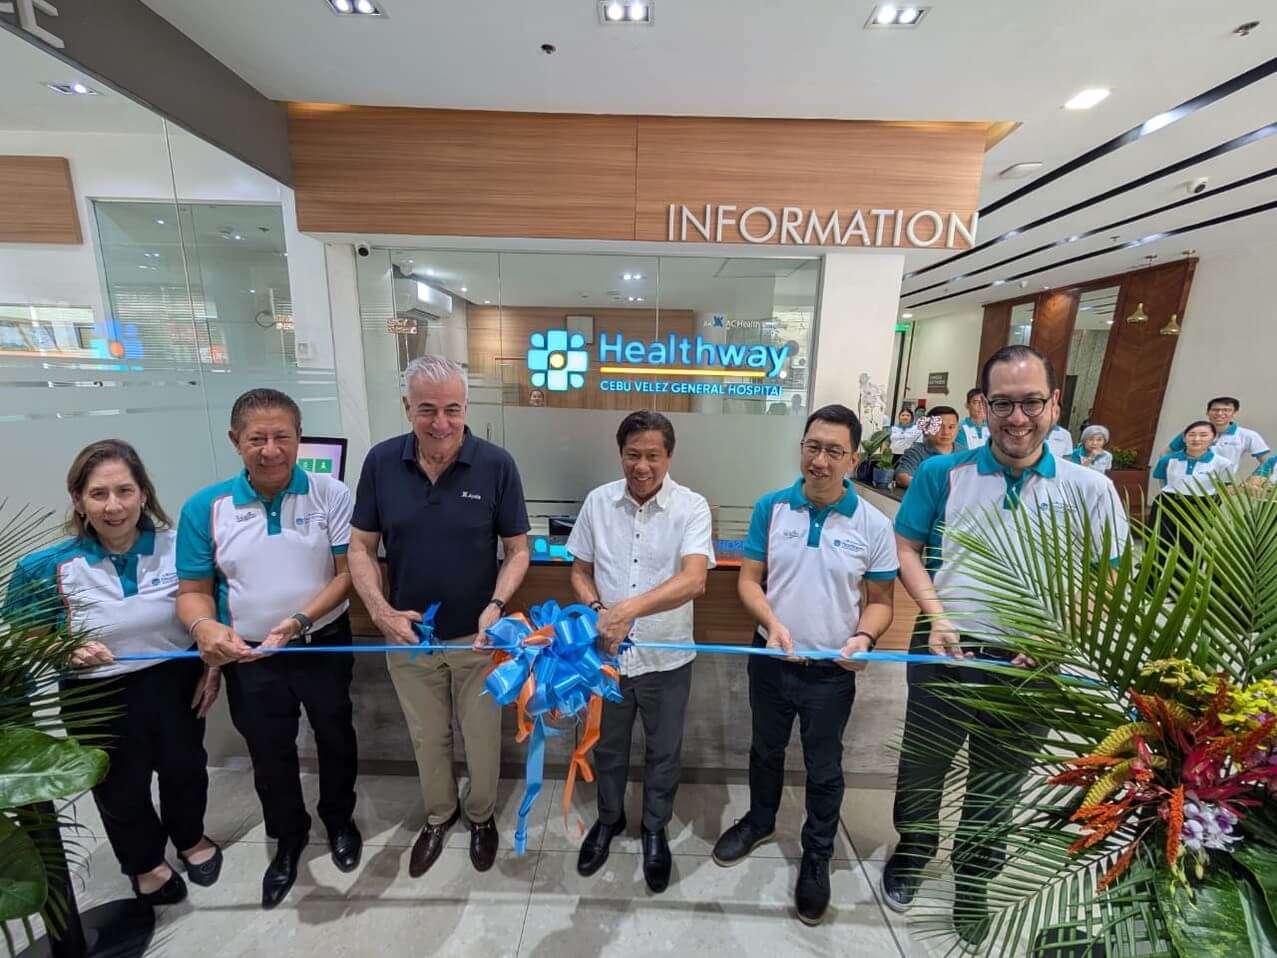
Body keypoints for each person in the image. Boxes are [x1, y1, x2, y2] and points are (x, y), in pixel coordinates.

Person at [883, 345, 1128, 947]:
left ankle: (975, 879)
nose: (1017, 418)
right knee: (923, 767)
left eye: (1031, 403)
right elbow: (906, 547)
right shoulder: (943, 474)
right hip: (944, 649)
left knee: (1000, 779)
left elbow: (1108, 577)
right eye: (1002, 404)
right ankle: (914, 851)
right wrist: (936, 615)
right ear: (983, 405)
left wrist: (1057, 634)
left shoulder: (1091, 488)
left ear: (1055, 404)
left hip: (1032, 662)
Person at [4, 440, 221, 905]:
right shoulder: (44, 567)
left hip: (174, 681)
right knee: (119, 786)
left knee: (185, 769)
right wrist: (64, 649)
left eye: (124, 491)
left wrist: (212, 666)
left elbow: (209, 611)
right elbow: (22, 635)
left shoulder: (179, 547)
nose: (113, 506)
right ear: (78, 500)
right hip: (95, 695)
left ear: (143, 493)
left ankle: (190, 838)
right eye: (98, 494)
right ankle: (145, 864)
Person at [711, 404, 897, 927]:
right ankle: (760, 821)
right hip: (771, 658)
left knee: (825, 766)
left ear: (854, 460)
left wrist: (864, 636)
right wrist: (771, 622)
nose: (820, 460)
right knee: (764, 750)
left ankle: (817, 854)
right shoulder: (771, 508)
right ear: (801, 449)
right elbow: (749, 580)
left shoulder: (874, 524)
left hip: (832, 671)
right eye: (813, 447)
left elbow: (882, 602)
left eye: (834, 451)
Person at [176, 388, 361, 910]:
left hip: (321, 641)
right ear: (235, 441)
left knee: (336, 735)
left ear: (300, 438)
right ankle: (288, 836)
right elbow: (192, 592)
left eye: (282, 436)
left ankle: (339, 820)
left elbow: (348, 574)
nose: (271, 450)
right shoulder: (204, 507)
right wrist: (204, 628)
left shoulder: (331, 494)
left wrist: (300, 621)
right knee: (268, 751)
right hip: (250, 655)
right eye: (257, 439)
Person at [347, 355, 531, 879]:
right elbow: (360, 548)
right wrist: (381, 613)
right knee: (427, 737)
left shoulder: (496, 464)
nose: (441, 423)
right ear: (407, 408)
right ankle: (438, 815)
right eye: (427, 409)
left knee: (482, 738)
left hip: (478, 640)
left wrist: (496, 607)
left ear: (466, 407)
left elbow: (518, 550)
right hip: (408, 639)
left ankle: (481, 816)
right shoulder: (381, 462)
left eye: (453, 409)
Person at [568, 411, 714, 893]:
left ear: (669, 457)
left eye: (653, 455)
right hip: (607, 657)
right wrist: (598, 610)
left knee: (663, 751)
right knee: (607, 747)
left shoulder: (691, 506)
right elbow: (579, 571)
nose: (642, 466)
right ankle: (608, 820)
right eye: (633, 455)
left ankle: (654, 828)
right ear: (621, 454)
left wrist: (629, 608)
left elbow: (695, 580)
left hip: (667, 659)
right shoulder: (598, 502)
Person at [1151, 420, 1231, 561]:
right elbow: (1162, 479)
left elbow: (1225, 486)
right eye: (1192, 434)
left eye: (1203, 435)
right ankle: (1153, 574)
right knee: (1158, 545)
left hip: (1202, 507)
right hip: (1168, 504)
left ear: (1213, 439)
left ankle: (1185, 575)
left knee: (1191, 549)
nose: (1196, 439)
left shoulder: (1222, 463)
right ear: (1184, 438)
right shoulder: (1167, 460)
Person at [1166, 396, 1269, 480]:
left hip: (1222, 485)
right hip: (1188, 483)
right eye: (1215, 410)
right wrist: (1170, 477)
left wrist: (1253, 480)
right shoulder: (1193, 432)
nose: (1220, 413)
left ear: (1235, 413)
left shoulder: (1247, 435)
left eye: (1226, 410)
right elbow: (1166, 453)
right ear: (1207, 412)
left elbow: (1267, 462)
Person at [894, 406, 959, 489]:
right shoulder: (916, 452)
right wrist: (934, 488)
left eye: (951, 427)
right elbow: (902, 477)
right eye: (939, 427)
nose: (946, 432)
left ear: (957, 428)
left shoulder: (964, 452)